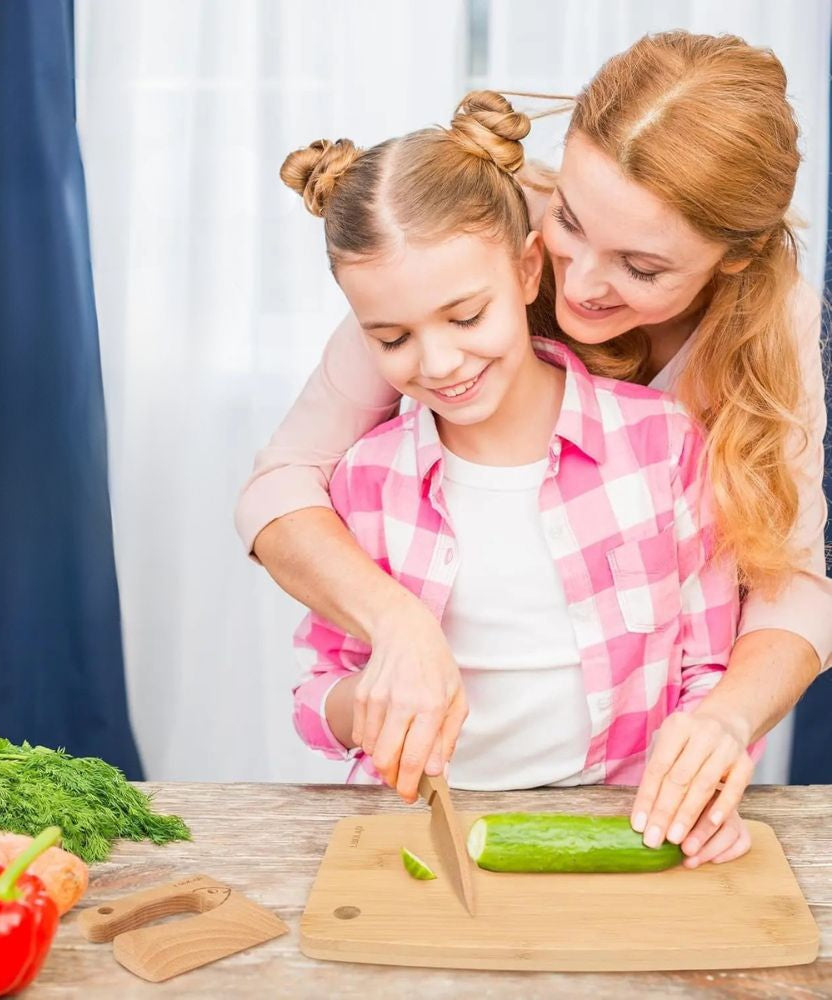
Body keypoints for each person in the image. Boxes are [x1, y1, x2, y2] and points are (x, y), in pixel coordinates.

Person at [238, 32, 829, 869]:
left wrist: (725, 720)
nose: (579, 284)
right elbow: (282, 485)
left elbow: (786, 576)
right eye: (571, 225)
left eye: (642, 267)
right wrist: (397, 625)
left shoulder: (767, 329)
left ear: (731, 258)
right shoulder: (461, 251)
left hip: (628, 777)